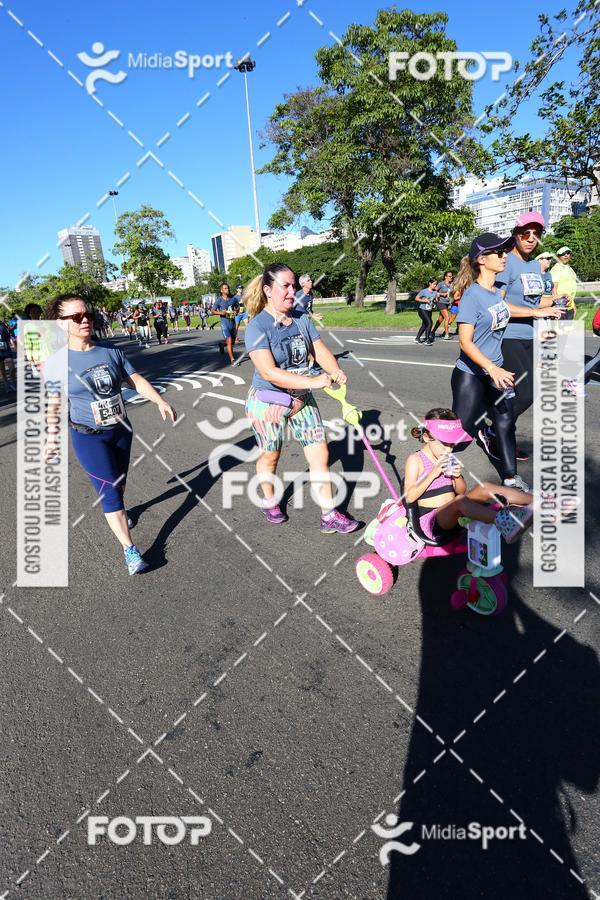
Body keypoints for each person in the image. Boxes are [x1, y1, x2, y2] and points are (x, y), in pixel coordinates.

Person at [44, 294, 177, 574]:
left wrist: (160, 401)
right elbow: (55, 404)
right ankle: (131, 551)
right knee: (109, 494)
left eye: (87, 314)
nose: (85, 320)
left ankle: (123, 511)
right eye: (76, 317)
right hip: (88, 435)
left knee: (119, 484)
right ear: (60, 324)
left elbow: (135, 380)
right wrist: (51, 439)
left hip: (120, 430)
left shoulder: (109, 350)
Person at [244, 262, 360, 533]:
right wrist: (314, 381)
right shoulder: (258, 326)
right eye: (285, 285)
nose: (291, 290)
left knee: (320, 456)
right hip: (268, 402)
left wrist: (335, 370)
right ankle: (269, 499)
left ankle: (329, 514)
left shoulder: (301, 319)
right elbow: (270, 372)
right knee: (271, 457)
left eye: (293, 285)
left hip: (301, 399)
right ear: (268, 290)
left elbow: (320, 351)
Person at [451, 232, 563, 491]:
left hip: (496, 371)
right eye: (499, 253)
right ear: (482, 259)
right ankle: (432, 468)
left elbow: (508, 309)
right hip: (471, 374)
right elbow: (464, 342)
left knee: (504, 422)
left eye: (504, 252)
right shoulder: (472, 296)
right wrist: (490, 368)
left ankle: (511, 478)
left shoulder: (495, 294)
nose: (504, 256)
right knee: (460, 431)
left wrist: (538, 311)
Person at [479, 212, 557, 463]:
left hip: (530, 334)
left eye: (536, 234)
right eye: (526, 233)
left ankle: (501, 434)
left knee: (525, 392)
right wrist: (536, 311)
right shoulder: (506, 261)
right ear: (516, 234)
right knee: (524, 393)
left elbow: (535, 300)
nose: (531, 238)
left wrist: (555, 302)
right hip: (508, 335)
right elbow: (497, 303)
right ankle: (493, 430)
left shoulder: (534, 265)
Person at [404, 408, 534, 544]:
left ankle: (537, 500)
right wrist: (433, 473)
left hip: (454, 511)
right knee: (460, 501)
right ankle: (507, 523)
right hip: (433, 521)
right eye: (444, 444)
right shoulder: (416, 460)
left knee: (485, 487)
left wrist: (457, 476)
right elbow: (409, 497)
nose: (449, 449)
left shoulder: (447, 457)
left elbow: (460, 491)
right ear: (426, 437)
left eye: (452, 444)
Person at [212, 283, 239, 364]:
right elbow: (213, 311)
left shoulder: (233, 299)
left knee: (232, 342)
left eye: (228, 288)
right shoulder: (219, 300)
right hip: (225, 324)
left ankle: (222, 345)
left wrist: (235, 311)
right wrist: (221, 313)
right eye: (225, 288)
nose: (227, 290)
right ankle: (232, 359)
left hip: (232, 323)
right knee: (229, 340)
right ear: (221, 290)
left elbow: (238, 307)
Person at [550, 246, 578, 320]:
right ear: (558, 257)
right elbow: (553, 290)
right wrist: (557, 307)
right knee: (559, 331)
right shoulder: (556, 269)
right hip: (560, 306)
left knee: (568, 331)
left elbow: (570, 290)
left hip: (569, 306)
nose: (566, 255)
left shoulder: (569, 268)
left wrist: (573, 304)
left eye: (568, 253)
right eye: (563, 254)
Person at [414, 278, 437, 345]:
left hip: (429, 310)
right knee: (430, 323)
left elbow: (434, 300)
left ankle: (417, 338)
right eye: (434, 284)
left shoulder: (435, 292)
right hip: (422, 310)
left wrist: (434, 304)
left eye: (436, 284)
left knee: (424, 325)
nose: (435, 285)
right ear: (430, 283)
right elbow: (416, 298)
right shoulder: (424, 291)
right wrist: (424, 300)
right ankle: (427, 339)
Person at [431, 271, 453, 340]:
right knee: (447, 318)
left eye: (451, 276)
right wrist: (441, 294)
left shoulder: (451, 285)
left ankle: (432, 332)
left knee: (440, 319)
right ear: (445, 277)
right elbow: (434, 291)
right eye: (449, 276)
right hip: (440, 302)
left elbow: (451, 293)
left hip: (446, 303)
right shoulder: (441, 284)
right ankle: (446, 335)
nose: (451, 277)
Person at [0, 317, 16, 391]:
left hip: (6, 349)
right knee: (2, 370)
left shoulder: (2, 325)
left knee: (12, 367)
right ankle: (6, 384)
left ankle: (12, 382)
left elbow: (8, 335)